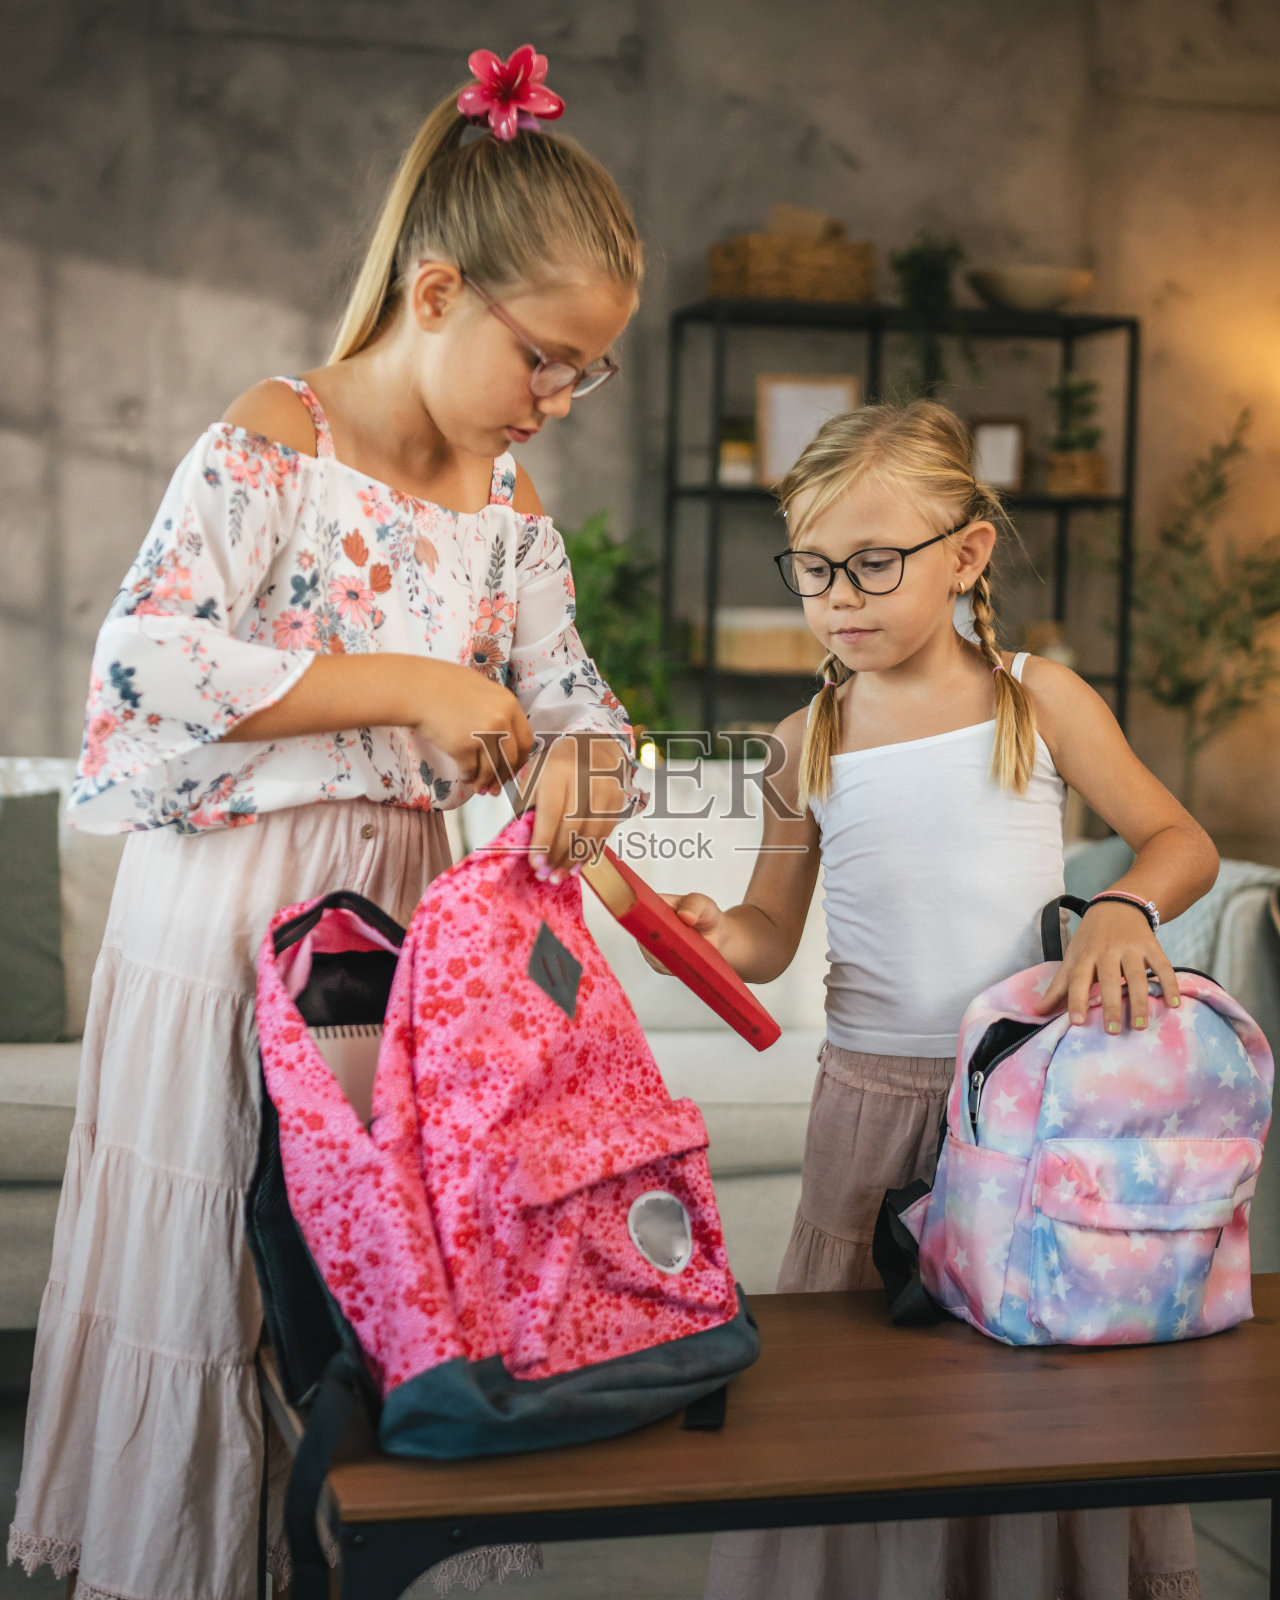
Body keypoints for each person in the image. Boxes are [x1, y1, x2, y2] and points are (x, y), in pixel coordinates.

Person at [9, 44, 644, 1600]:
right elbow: (146, 660)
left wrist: (583, 769)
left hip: (402, 931)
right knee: (223, 1266)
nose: (558, 401)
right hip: (230, 919)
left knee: (382, 1272)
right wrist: (409, 682)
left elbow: (587, 712)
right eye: (544, 358)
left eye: (588, 372)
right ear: (435, 295)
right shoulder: (277, 436)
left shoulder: (515, 519)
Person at [670, 400, 1217, 1600]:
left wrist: (1120, 905)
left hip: (1023, 1107)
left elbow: (1177, 840)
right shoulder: (800, 736)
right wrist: (717, 935)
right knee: (863, 1398)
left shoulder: (1037, 698)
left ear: (966, 554)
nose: (838, 597)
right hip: (866, 1109)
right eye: (812, 569)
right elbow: (768, 934)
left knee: (1019, 1385)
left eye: (872, 562)